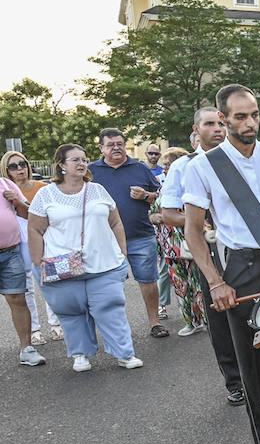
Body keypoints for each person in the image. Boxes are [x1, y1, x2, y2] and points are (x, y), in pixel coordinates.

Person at [182, 85, 260, 444]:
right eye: (240, 117)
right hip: (244, 268)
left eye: (255, 115)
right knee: (254, 362)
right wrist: (216, 282)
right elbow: (194, 233)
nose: (250, 123)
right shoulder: (203, 167)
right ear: (223, 120)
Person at [26, 144, 142, 371]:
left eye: (84, 160)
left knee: (111, 309)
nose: (82, 164)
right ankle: (80, 354)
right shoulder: (45, 194)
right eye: (75, 160)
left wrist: (122, 252)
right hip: (63, 266)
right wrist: (38, 262)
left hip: (105, 263)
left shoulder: (97, 190)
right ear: (61, 165)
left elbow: (116, 222)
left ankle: (124, 354)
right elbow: (34, 230)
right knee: (71, 312)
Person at [158, 108, 245, 401]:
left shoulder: (243, 158)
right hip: (208, 247)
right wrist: (200, 221)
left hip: (246, 248)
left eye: (222, 123)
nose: (218, 129)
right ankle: (235, 381)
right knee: (220, 316)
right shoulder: (184, 166)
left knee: (255, 313)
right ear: (196, 130)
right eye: (210, 124)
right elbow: (169, 213)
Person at [87, 128, 168, 339]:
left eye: (119, 143)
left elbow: (159, 197)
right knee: (109, 287)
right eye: (110, 144)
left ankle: (155, 322)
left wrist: (146, 195)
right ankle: (115, 330)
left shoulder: (140, 168)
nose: (116, 147)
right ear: (101, 148)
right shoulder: (90, 171)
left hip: (140, 235)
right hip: (105, 240)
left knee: (148, 281)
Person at [2, 151, 61, 346]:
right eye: (14, 166)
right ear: (6, 170)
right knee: (25, 288)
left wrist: (17, 201)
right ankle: (34, 330)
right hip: (18, 244)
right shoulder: (4, 189)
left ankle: (55, 324)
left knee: (50, 281)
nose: (20, 169)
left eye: (23, 163)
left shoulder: (42, 187)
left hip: (44, 241)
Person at [149, 147, 205, 336]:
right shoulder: (163, 187)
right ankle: (190, 321)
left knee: (198, 283)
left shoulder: (190, 187)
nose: (165, 168)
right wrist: (156, 217)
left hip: (189, 241)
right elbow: (153, 212)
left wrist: (170, 217)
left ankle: (205, 320)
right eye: (165, 165)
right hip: (169, 245)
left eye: (169, 164)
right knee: (180, 285)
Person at [1, 166, 45, 367]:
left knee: (18, 300)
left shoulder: (5, 184)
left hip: (10, 252)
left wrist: (17, 202)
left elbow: (29, 214)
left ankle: (27, 349)